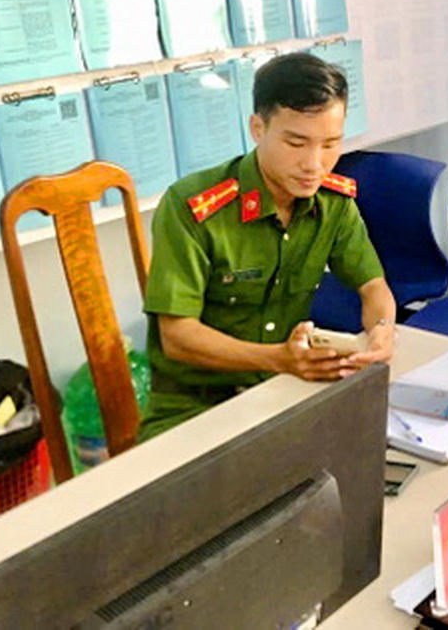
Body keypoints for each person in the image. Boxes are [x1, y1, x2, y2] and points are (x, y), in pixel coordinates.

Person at [141, 52, 395, 439]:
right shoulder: (192, 207)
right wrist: (278, 359)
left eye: (330, 144)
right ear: (258, 128)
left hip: (283, 391)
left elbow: (373, 285)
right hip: (194, 406)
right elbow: (176, 337)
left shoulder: (333, 203)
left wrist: (381, 331)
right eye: (296, 143)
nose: (315, 164)